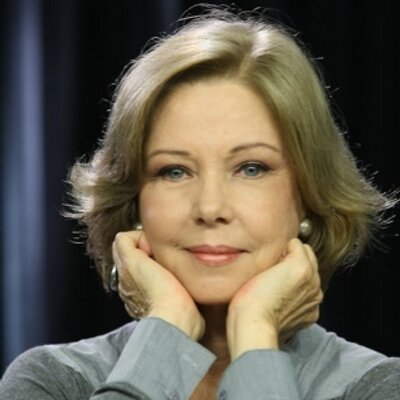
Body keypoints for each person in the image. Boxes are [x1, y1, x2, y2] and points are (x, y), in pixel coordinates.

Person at [1, 6, 399, 400]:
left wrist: (255, 335)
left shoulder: (377, 387)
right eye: (174, 171)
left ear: (308, 196)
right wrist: (168, 329)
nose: (210, 208)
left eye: (251, 169)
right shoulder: (51, 382)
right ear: (134, 202)